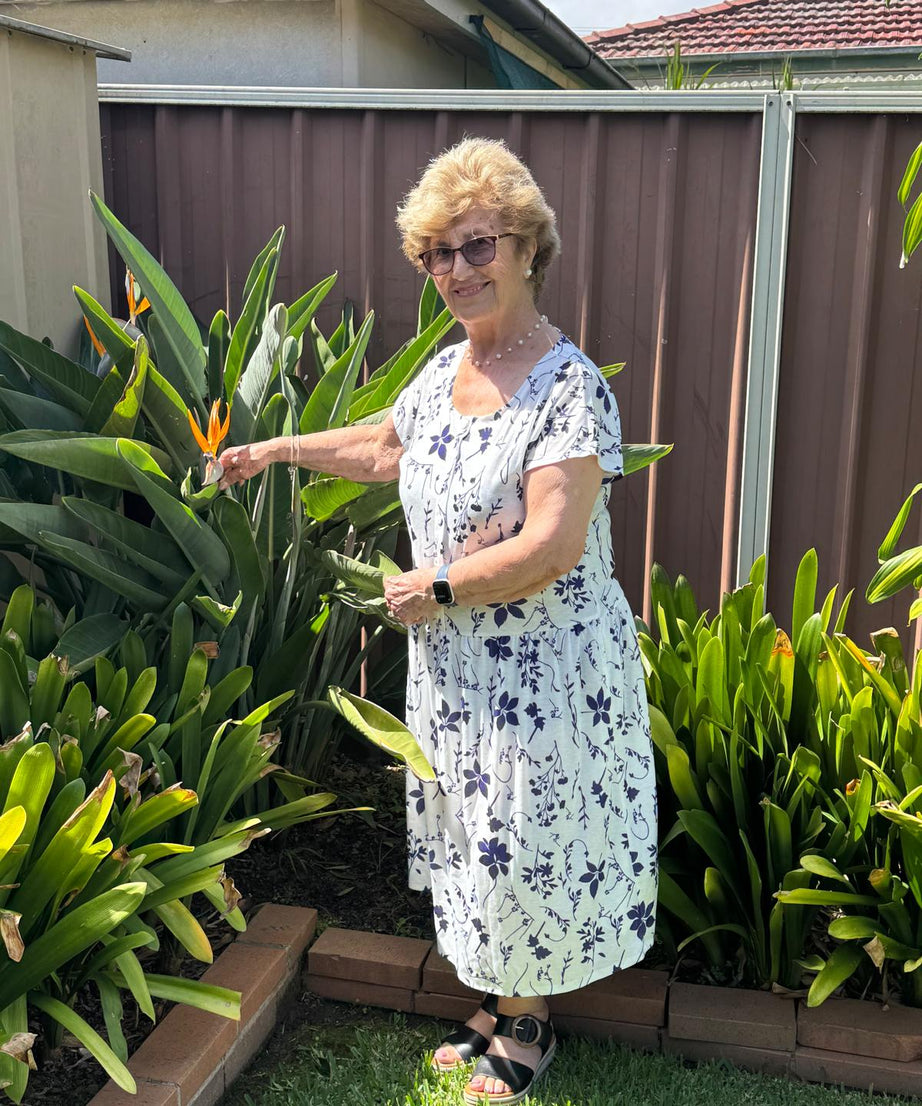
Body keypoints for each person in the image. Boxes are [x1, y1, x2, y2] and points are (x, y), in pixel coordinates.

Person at [218, 136, 657, 1106]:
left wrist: (440, 586)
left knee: (525, 839)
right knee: (479, 839)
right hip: (458, 674)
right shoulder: (448, 366)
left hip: (544, 673)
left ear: (526, 247)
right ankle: (501, 1002)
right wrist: (276, 446)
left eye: (476, 245)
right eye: (437, 254)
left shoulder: (566, 385)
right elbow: (384, 444)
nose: (455, 270)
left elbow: (551, 543)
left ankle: (527, 1023)